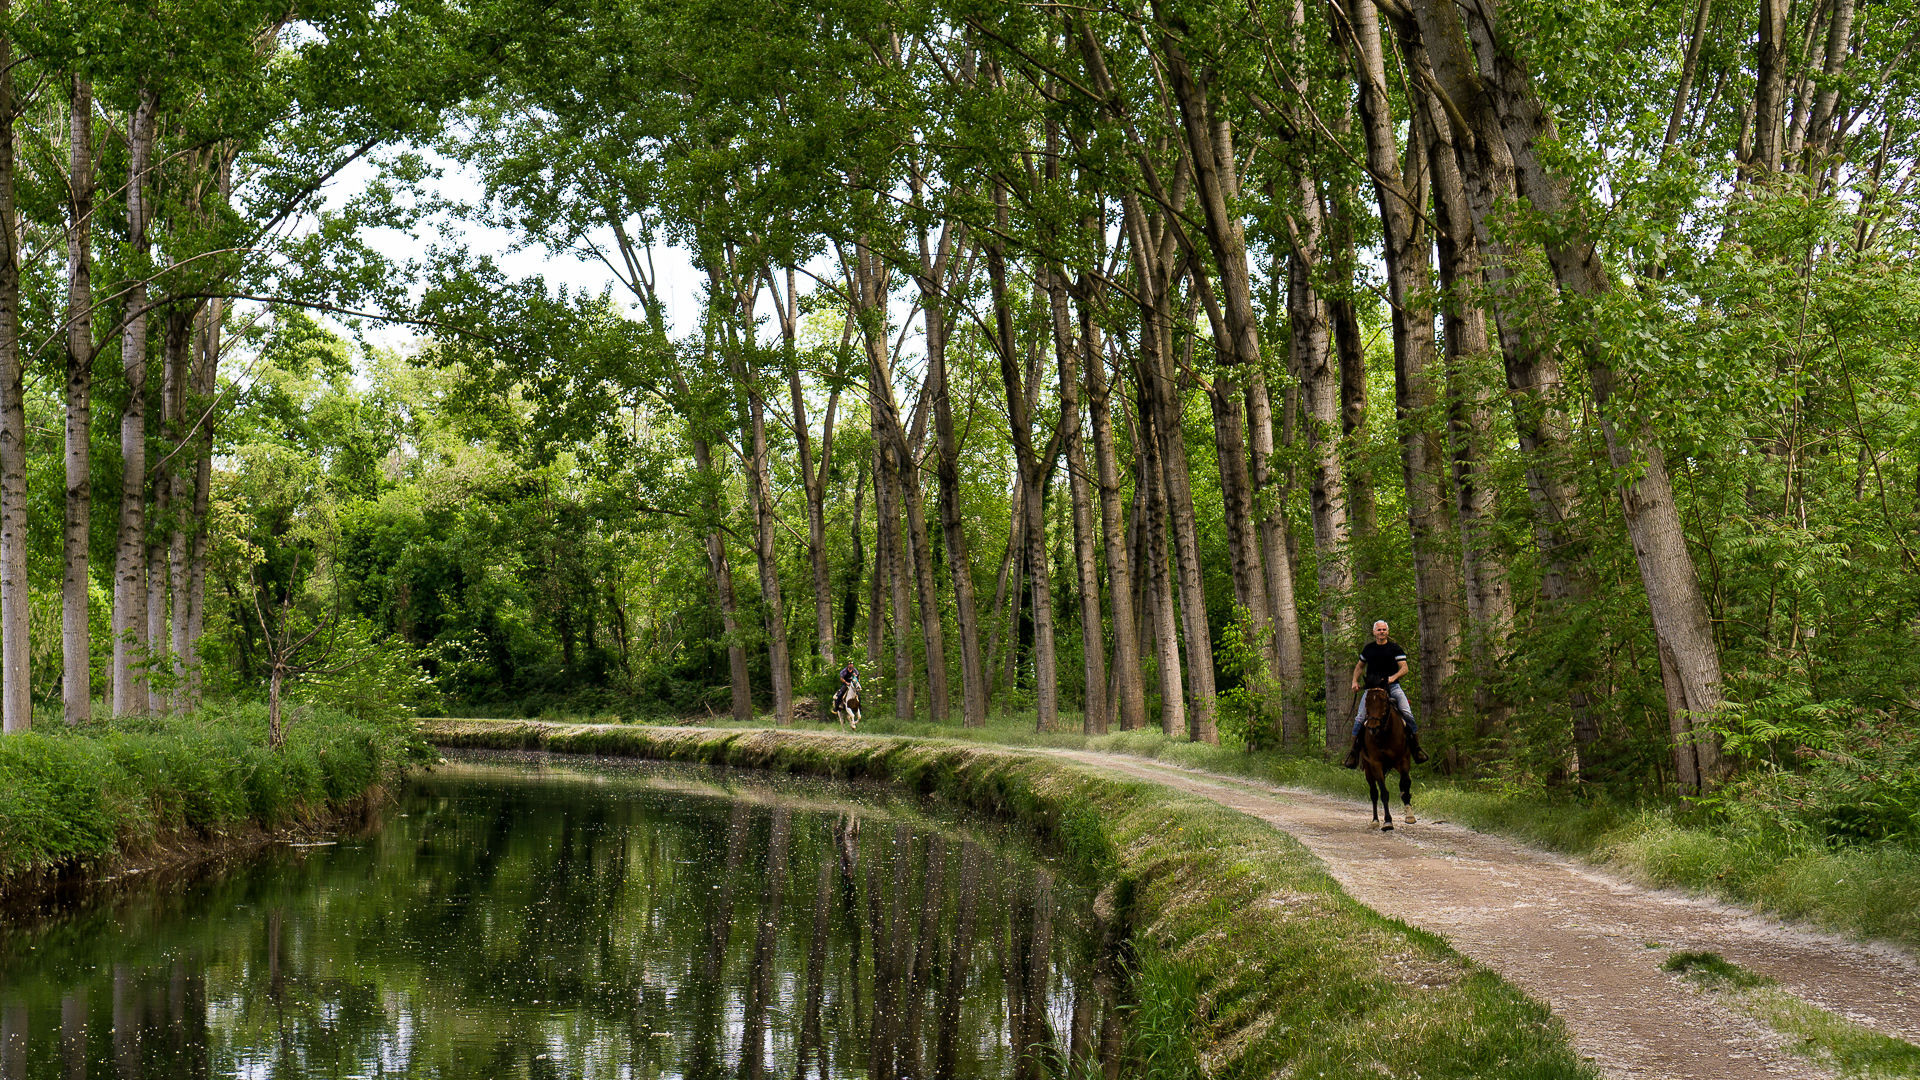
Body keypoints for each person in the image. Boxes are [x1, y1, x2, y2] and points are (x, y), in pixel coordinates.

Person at [1344, 620, 1429, 767]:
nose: (1381, 632)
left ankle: (1416, 749)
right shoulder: (1368, 649)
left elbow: (1404, 668)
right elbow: (1359, 667)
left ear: (1387, 632)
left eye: (1384, 630)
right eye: (1379, 630)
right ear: (1374, 632)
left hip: (1392, 687)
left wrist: (1393, 678)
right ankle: (1353, 753)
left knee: (1407, 713)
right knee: (1360, 717)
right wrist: (1354, 681)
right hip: (1372, 689)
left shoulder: (1395, 649)